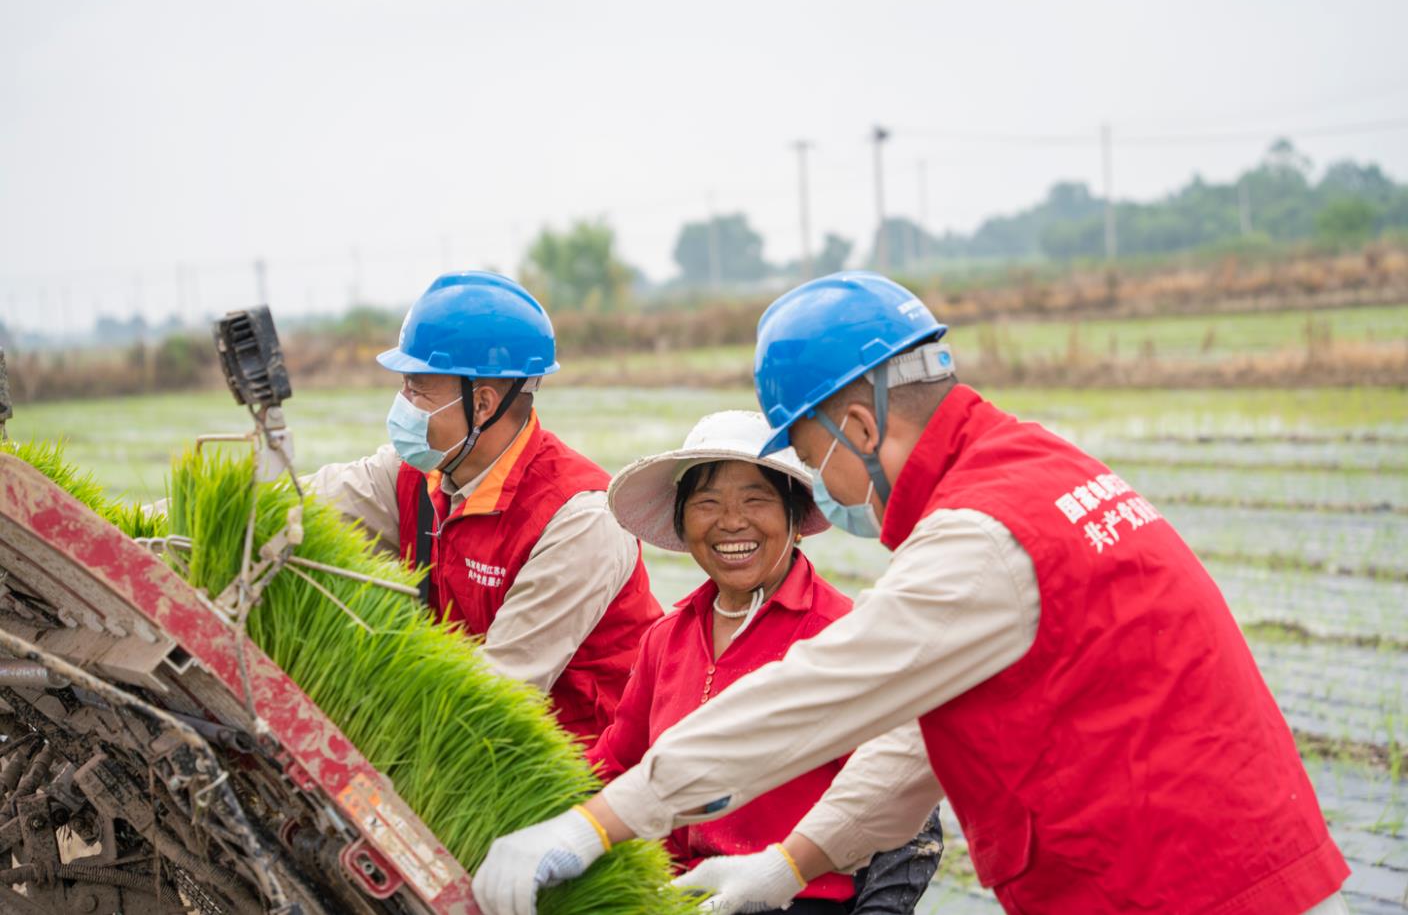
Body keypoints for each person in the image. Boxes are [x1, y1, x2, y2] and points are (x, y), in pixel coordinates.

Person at [471, 271, 1350, 915]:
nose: (822, 488)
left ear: (858, 426)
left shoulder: (983, 534)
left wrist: (589, 826)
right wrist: (788, 864)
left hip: (1193, 892)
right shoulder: (1036, 466)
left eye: (809, 461)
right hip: (1234, 875)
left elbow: (808, 698)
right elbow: (912, 743)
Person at [590, 409, 942, 915]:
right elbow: (616, 766)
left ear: (796, 519)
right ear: (682, 521)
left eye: (756, 500)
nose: (732, 522)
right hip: (680, 897)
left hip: (798, 899)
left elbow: (905, 811)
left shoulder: (842, 634)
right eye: (707, 503)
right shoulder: (667, 638)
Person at [308, 271, 661, 743]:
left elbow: (494, 697)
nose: (403, 405)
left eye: (418, 388)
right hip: (474, 745)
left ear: (482, 404)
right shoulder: (417, 475)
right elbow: (292, 503)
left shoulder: (579, 521)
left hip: (591, 781)